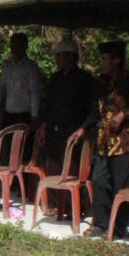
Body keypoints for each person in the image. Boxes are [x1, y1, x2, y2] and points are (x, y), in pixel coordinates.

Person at [69, 41, 129, 238]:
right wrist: (82, 129)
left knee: (121, 186)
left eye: (104, 60)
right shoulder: (100, 83)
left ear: (116, 61)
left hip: (124, 143)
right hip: (103, 141)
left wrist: (125, 113)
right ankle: (100, 224)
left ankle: (117, 229)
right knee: (100, 181)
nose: (101, 63)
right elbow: (95, 111)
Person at [39, 38, 94, 213]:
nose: (57, 60)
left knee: (73, 170)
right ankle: (56, 205)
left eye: (60, 56)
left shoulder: (84, 80)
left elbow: (93, 109)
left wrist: (82, 129)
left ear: (71, 57)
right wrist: (43, 126)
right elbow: (48, 104)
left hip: (74, 133)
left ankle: (75, 208)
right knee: (53, 167)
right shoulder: (55, 79)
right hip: (54, 131)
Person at [0, 32, 41, 164]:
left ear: (24, 47)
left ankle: (22, 182)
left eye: (17, 45)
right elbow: (1, 87)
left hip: (25, 116)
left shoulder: (31, 67)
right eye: (12, 45)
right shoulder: (8, 66)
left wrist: (34, 117)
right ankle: (10, 182)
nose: (14, 48)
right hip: (9, 116)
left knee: (24, 152)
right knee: (8, 151)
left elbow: (35, 93)